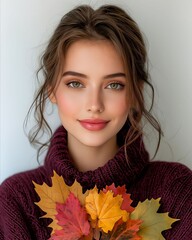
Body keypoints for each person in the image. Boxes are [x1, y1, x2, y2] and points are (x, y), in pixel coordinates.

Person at [0, 4, 191, 240]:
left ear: (135, 93)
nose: (94, 104)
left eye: (114, 85)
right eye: (76, 83)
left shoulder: (177, 191)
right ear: (52, 89)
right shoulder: (16, 200)